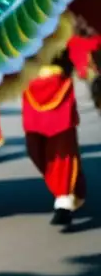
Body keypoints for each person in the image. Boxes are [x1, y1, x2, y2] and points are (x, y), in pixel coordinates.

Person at [23, 45, 87, 226]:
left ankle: (63, 200)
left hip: (59, 78)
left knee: (62, 143)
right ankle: (72, 186)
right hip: (30, 81)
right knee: (34, 147)